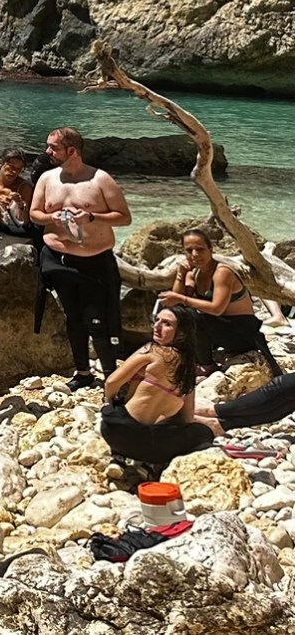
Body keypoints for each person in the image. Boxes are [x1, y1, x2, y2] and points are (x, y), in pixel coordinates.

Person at [100, 305, 295, 470]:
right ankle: (151, 464)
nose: (157, 326)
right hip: (152, 447)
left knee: (113, 411)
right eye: (157, 320)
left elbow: (111, 383)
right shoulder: (188, 369)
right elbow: (186, 417)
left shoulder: (151, 350)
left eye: (166, 324)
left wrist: (112, 403)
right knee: (201, 434)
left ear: (181, 332)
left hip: (117, 435)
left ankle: (123, 460)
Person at [30, 127, 132, 387]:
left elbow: (124, 217)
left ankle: (112, 378)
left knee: (97, 320)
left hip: (93, 261)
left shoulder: (100, 180)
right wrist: (50, 217)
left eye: (53, 147)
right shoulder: (47, 179)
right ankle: (83, 374)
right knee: (72, 318)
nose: (47, 152)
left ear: (72, 151)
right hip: (57, 258)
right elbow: (34, 214)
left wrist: (92, 217)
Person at [157, 227, 281, 374]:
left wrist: (182, 299)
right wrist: (180, 274)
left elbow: (217, 308)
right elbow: (175, 306)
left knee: (191, 316)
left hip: (242, 332)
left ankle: (207, 365)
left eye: (200, 249)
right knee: (180, 315)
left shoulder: (222, 272)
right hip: (220, 330)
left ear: (211, 249)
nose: (195, 255)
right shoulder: (194, 273)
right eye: (189, 251)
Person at [0, 146, 36, 238]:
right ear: (1, 163)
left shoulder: (24, 187)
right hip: (1, 227)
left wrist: (20, 205)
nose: (13, 172)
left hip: (19, 231)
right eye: (11, 167)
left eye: (18, 169)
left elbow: (26, 223)